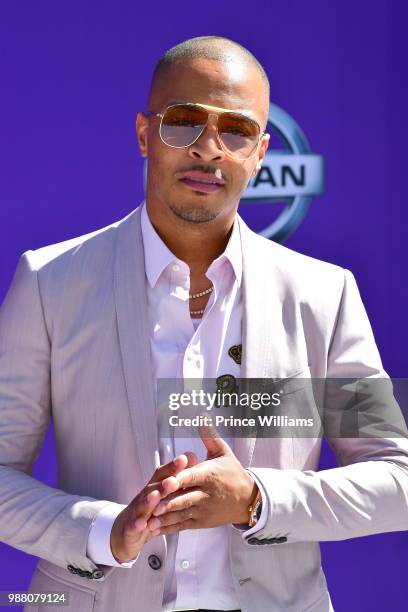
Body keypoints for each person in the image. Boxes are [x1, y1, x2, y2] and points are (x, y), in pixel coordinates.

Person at [0, 35, 407, 612]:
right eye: (184, 122)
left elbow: (396, 478)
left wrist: (258, 501)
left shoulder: (323, 295)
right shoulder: (51, 282)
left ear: (261, 152)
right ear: (145, 134)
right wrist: (103, 531)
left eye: (235, 130)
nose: (208, 149)